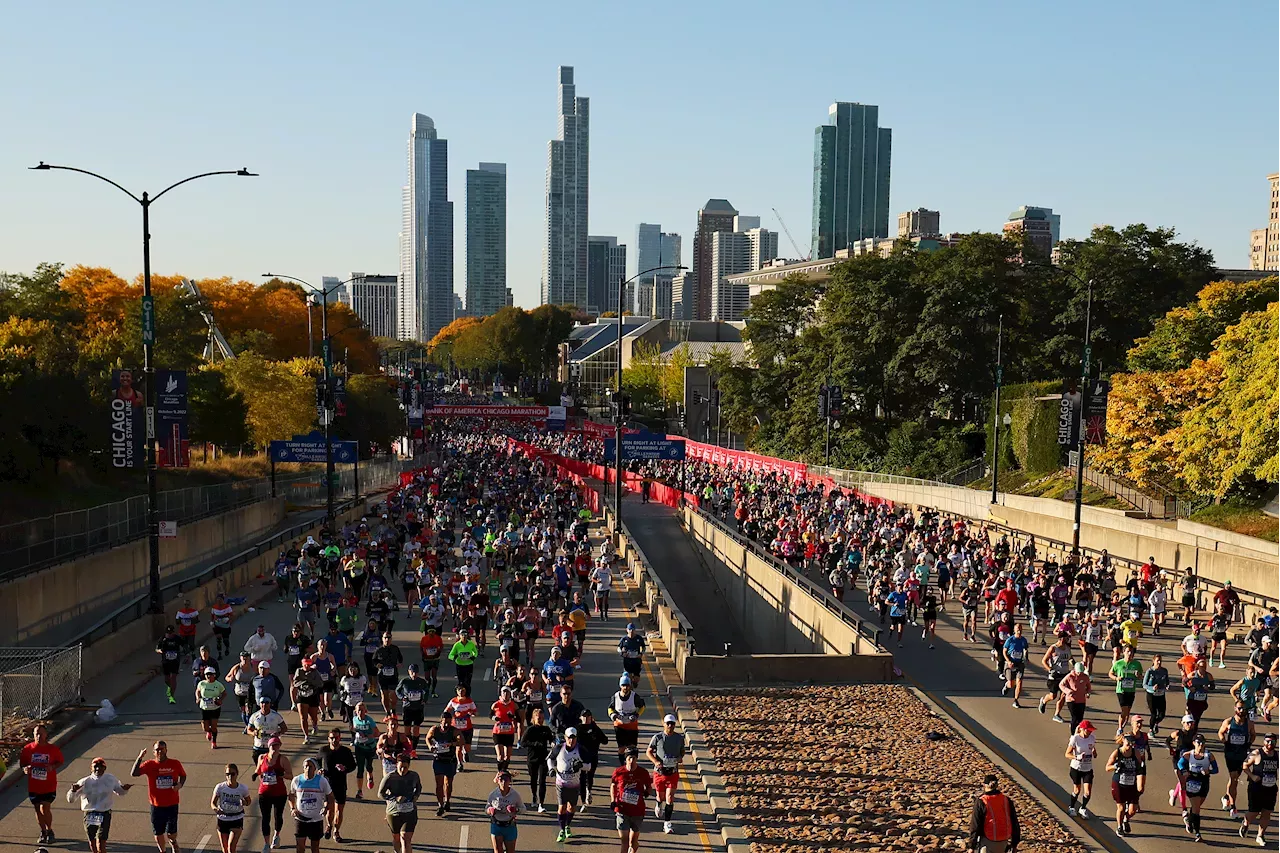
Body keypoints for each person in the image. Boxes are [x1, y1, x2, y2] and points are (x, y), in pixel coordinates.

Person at [131, 740, 188, 853]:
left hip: (172, 803)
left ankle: (173, 842)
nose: (160, 751)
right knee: (158, 833)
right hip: (156, 805)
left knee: (171, 834)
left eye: (162, 749)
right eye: (157, 749)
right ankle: (163, 851)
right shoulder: (149, 765)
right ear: (153, 752)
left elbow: (183, 775)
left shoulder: (175, 763)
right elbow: (134, 773)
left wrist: (180, 785)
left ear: (166, 750)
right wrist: (140, 757)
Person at [67, 756, 132, 853]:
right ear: (91, 768)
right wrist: (73, 791)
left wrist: (125, 789)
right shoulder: (84, 781)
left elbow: (120, 791)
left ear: (104, 768)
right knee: (92, 841)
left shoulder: (110, 779)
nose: (98, 769)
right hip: (89, 814)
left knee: (101, 843)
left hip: (104, 813)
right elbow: (70, 799)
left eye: (101, 767)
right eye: (95, 766)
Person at [21, 723, 64, 844]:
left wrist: (52, 767)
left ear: (46, 735)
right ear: (33, 735)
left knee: (45, 808)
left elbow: (60, 761)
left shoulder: (52, 749)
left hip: (48, 785)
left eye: (41, 734)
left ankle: (49, 830)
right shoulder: (27, 749)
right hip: (34, 786)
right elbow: (23, 764)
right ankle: (43, 831)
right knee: (37, 810)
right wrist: (25, 769)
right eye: (36, 734)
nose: (39, 736)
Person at [1177, 732, 1219, 841]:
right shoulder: (1188, 755)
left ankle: (1189, 820)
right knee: (1197, 809)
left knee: (1197, 806)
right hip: (1192, 781)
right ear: (1194, 743)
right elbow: (1180, 764)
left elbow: (1216, 769)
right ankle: (1198, 833)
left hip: (1204, 781)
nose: (1201, 745)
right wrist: (1184, 771)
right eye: (1198, 742)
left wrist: (1208, 771)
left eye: (1202, 742)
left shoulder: (1209, 755)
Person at [1218, 700, 1256, 819]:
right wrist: (1226, 743)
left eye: (1243, 709)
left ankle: (1226, 797)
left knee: (1234, 779)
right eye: (1239, 708)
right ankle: (1233, 807)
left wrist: (1249, 743)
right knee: (1234, 778)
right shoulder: (1229, 722)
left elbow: (1253, 734)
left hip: (1242, 753)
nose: (1241, 711)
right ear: (1235, 709)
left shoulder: (1249, 723)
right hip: (1231, 753)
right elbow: (1220, 733)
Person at [253, 737, 292, 853]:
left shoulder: (283, 759)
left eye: (277, 745)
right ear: (268, 746)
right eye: (272, 745)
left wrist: (282, 775)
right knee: (265, 818)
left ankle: (276, 835)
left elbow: (290, 775)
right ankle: (266, 844)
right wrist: (255, 775)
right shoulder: (262, 757)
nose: (275, 747)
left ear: (280, 746)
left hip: (279, 793)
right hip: (264, 792)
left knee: (277, 816)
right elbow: (259, 770)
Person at [1242, 731, 1280, 846]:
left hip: (1271, 788)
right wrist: (1253, 776)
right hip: (1256, 787)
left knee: (1267, 812)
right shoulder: (1257, 753)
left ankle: (1260, 835)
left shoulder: (1277, 755)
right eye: (1268, 741)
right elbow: (1245, 766)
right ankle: (1246, 823)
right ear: (1264, 742)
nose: (1270, 743)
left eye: (1273, 741)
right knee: (1254, 812)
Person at [316, 729, 355, 841]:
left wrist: (345, 768)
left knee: (339, 810)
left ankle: (336, 831)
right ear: (328, 739)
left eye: (336, 738)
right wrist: (319, 769)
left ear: (340, 738)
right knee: (329, 809)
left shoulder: (346, 751)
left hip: (341, 784)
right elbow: (317, 760)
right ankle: (329, 826)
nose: (334, 740)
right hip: (327, 784)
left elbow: (353, 765)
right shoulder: (323, 750)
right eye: (332, 738)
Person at [612, 746, 653, 853]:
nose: (631, 761)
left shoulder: (643, 772)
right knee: (624, 842)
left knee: (633, 842)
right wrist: (613, 801)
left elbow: (649, 786)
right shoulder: (618, 772)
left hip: (637, 811)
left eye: (634, 758)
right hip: (622, 810)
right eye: (629, 758)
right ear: (625, 759)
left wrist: (647, 792)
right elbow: (613, 785)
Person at [378, 753, 422, 853]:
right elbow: (380, 794)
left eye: (405, 767)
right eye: (400, 767)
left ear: (409, 766)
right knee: (397, 838)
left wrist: (415, 797)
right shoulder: (390, 777)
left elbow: (419, 788)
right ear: (396, 765)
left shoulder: (414, 776)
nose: (403, 770)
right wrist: (394, 798)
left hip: (410, 812)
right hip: (394, 813)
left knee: (406, 839)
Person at [288, 758, 333, 853]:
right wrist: (292, 808)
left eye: (310, 766)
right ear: (303, 768)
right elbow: (291, 795)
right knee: (300, 847)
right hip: (300, 818)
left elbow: (329, 797)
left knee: (315, 847)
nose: (308, 768)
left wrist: (326, 808)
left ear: (315, 768)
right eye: (306, 766)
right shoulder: (297, 780)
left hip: (316, 819)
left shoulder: (322, 781)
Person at [967, 774, 1021, 853]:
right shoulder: (1006, 800)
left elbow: (975, 825)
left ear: (984, 785)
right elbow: (1014, 822)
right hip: (1003, 840)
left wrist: (971, 846)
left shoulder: (981, 801)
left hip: (987, 840)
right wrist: (1014, 844)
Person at [550, 727, 586, 842]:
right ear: (565, 738)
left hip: (574, 784)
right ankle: (561, 830)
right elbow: (550, 759)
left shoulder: (581, 749)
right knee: (562, 808)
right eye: (569, 738)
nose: (571, 740)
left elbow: (590, 765)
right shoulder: (559, 748)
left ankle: (567, 826)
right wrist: (551, 768)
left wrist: (581, 766)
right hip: (561, 783)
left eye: (574, 738)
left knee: (572, 808)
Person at [1105, 734, 1145, 837]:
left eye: (1132, 744)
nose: (1130, 746)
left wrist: (1140, 781)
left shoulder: (1135, 752)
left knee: (1133, 810)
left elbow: (1140, 767)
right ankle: (1119, 826)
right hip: (1119, 784)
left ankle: (1126, 819)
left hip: (1132, 784)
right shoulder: (1117, 753)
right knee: (1121, 807)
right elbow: (1107, 768)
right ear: (1123, 741)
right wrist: (1115, 766)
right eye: (1128, 744)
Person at [211, 763, 251, 853]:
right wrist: (216, 809)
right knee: (225, 850)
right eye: (227, 774)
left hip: (237, 818)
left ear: (237, 774)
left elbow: (249, 801)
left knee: (231, 848)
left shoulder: (243, 788)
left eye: (232, 774)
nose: (230, 776)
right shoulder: (220, 787)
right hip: (223, 819)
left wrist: (244, 802)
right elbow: (213, 803)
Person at [521, 706, 554, 813]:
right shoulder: (530, 730)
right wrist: (534, 744)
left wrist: (553, 743)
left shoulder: (546, 729)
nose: (540, 720)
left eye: (541, 718)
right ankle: (534, 796)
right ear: (533, 718)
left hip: (543, 758)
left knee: (542, 781)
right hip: (532, 759)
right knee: (533, 779)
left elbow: (551, 739)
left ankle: (541, 804)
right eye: (538, 718)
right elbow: (523, 742)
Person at [609, 675, 647, 764]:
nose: (625, 687)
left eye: (627, 685)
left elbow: (642, 707)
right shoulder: (615, 696)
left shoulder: (635, 696)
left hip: (632, 726)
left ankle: (632, 763)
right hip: (619, 725)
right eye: (623, 685)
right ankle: (622, 764)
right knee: (621, 748)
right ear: (620, 686)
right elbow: (610, 708)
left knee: (632, 747)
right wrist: (613, 715)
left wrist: (636, 715)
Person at [485, 770, 523, 853]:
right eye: (501, 779)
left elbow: (523, 809)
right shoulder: (493, 794)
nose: (503, 782)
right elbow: (486, 808)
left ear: (510, 781)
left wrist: (515, 809)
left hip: (510, 827)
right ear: (498, 781)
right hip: (496, 826)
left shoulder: (515, 795)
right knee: (498, 851)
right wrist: (490, 810)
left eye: (506, 779)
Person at [1064, 720, 1096, 819]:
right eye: (1088, 730)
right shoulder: (1075, 739)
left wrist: (1094, 753)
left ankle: (1083, 808)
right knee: (1077, 790)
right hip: (1076, 768)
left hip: (1088, 768)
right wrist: (1077, 757)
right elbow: (1067, 754)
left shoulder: (1092, 738)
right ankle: (1072, 807)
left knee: (1087, 792)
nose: (1090, 732)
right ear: (1082, 729)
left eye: (1091, 730)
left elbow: (1094, 752)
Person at [1109, 645, 1142, 736]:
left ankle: (1122, 727)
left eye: (1131, 652)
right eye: (1127, 651)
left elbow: (1140, 677)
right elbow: (1110, 673)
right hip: (1121, 690)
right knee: (1124, 710)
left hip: (1131, 690)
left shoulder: (1137, 664)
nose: (1130, 653)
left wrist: (1138, 675)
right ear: (1124, 652)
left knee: (1128, 712)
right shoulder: (1118, 663)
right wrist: (1116, 678)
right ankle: (1119, 728)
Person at [397, 664, 432, 749]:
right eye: (412, 672)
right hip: (407, 708)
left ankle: (413, 749)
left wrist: (425, 700)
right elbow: (397, 690)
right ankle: (408, 747)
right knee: (407, 730)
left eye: (415, 672)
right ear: (409, 672)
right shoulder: (404, 681)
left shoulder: (421, 681)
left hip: (418, 708)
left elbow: (426, 691)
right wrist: (402, 697)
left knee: (416, 730)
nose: (414, 674)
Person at [444, 685, 479, 768]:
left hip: (467, 728)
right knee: (458, 746)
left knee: (467, 747)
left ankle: (465, 752)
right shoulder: (453, 701)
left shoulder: (469, 701)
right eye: (459, 690)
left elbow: (476, 712)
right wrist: (447, 719)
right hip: (456, 727)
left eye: (463, 690)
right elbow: (446, 711)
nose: (461, 692)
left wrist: (471, 713)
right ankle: (459, 764)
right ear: (456, 691)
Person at [350, 702, 380, 797]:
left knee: (368, 766)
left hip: (370, 747)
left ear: (366, 711)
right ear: (355, 711)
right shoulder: (354, 719)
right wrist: (357, 733)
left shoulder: (369, 721)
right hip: (359, 747)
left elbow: (377, 733)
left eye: (362, 710)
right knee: (360, 769)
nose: (360, 712)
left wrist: (366, 735)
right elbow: (353, 728)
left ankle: (370, 776)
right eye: (358, 710)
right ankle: (359, 791)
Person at [246, 699, 288, 763]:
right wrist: (253, 733)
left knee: (270, 768)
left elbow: (284, 728)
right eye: (262, 703)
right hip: (258, 746)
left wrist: (278, 733)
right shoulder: (254, 716)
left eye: (266, 703)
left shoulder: (276, 716)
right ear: (259, 704)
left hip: (271, 747)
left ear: (270, 704)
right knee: (259, 768)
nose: (264, 705)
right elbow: (248, 730)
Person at [373, 631, 405, 712]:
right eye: (385, 638)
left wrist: (400, 664)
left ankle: (393, 711)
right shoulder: (379, 650)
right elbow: (374, 660)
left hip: (393, 675)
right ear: (382, 639)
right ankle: (387, 713)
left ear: (391, 639)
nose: (387, 639)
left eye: (389, 638)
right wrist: (377, 665)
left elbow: (400, 658)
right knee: (384, 695)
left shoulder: (395, 648)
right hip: (382, 676)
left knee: (393, 695)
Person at [196, 666, 228, 749]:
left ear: (214, 675)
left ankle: (214, 741)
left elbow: (224, 693)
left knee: (214, 726)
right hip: (204, 708)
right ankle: (208, 732)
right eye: (207, 674)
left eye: (210, 674)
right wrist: (198, 698)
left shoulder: (218, 684)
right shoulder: (202, 683)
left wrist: (220, 700)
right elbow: (198, 691)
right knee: (205, 727)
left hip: (215, 708)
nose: (209, 676)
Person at [226, 652, 258, 727]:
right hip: (239, 692)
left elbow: (259, 675)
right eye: (243, 659)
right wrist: (230, 679)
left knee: (248, 709)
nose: (245, 661)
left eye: (247, 659)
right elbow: (227, 677)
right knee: (243, 710)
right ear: (240, 658)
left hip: (250, 692)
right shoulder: (236, 668)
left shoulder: (253, 667)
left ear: (250, 659)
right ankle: (247, 726)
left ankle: (250, 726)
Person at [157, 625, 184, 705]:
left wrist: (187, 654)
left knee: (173, 677)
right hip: (166, 662)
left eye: (171, 633)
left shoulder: (177, 638)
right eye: (168, 633)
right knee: (167, 679)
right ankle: (170, 688)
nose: (170, 635)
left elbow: (184, 645)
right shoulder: (162, 639)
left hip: (175, 661)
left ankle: (171, 696)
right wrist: (160, 651)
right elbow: (157, 648)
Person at [211, 593, 236, 659]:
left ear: (223, 600)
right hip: (217, 625)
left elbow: (232, 615)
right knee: (218, 640)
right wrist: (212, 622)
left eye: (220, 600)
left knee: (225, 640)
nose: (219, 601)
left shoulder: (227, 607)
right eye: (218, 600)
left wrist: (229, 621)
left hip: (225, 626)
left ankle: (227, 648)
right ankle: (219, 654)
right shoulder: (214, 607)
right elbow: (212, 615)